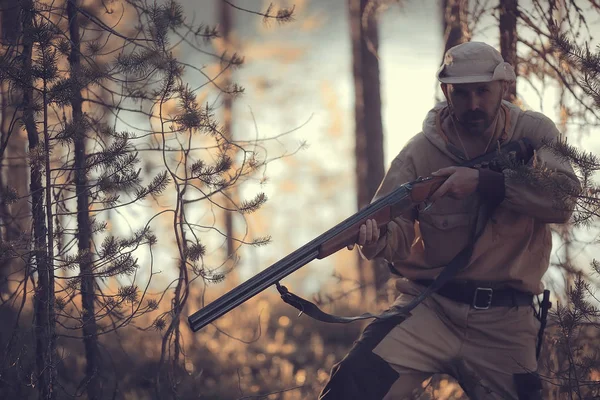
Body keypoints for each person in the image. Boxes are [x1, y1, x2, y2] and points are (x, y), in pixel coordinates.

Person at [318, 41, 580, 400]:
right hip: (430, 308)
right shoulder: (419, 152)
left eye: (482, 92)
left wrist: (486, 183)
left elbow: (564, 199)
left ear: (503, 87)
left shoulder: (534, 133)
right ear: (446, 91)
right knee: (352, 384)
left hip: (506, 319)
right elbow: (394, 232)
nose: (473, 104)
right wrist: (373, 238)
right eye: (462, 93)